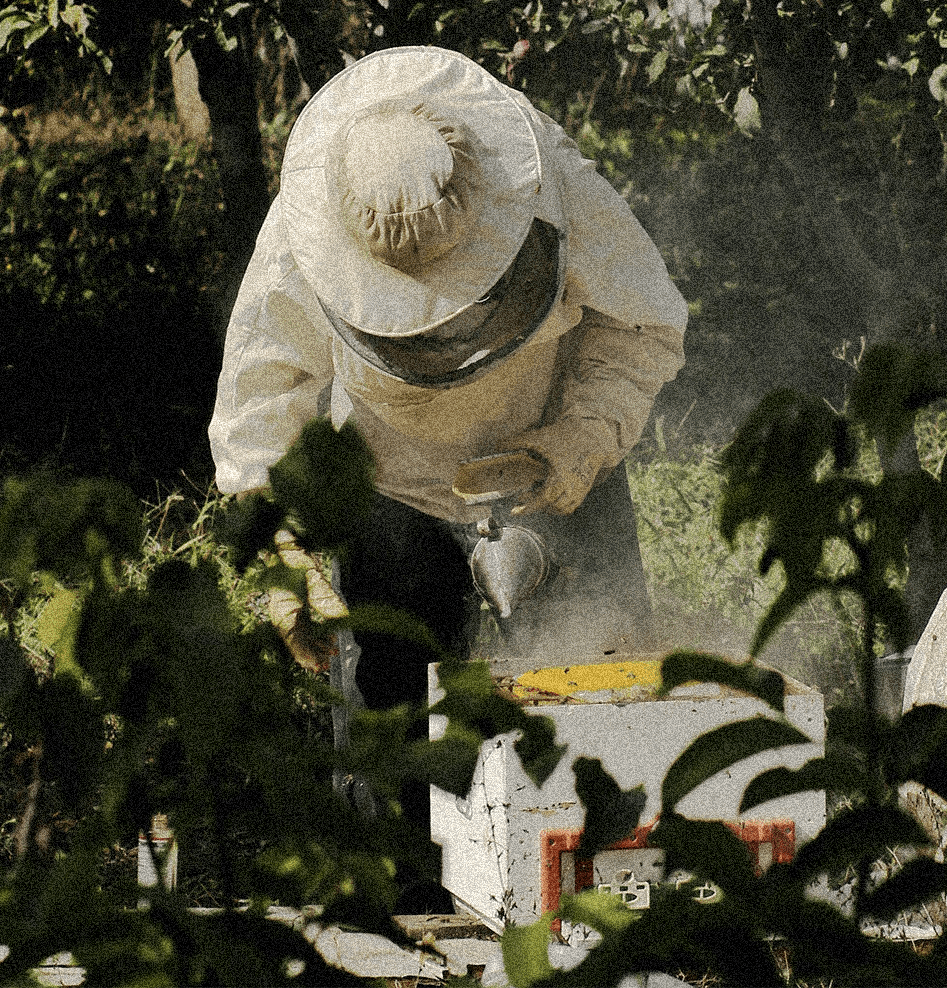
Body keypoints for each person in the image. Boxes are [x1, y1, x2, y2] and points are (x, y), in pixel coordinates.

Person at [208, 43, 687, 741]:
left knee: (613, 721)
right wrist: (282, 555)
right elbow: (257, 405)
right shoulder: (300, 236)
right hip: (393, 495)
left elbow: (641, 321)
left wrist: (579, 439)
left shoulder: (547, 178)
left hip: (555, 472)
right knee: (397, 746)